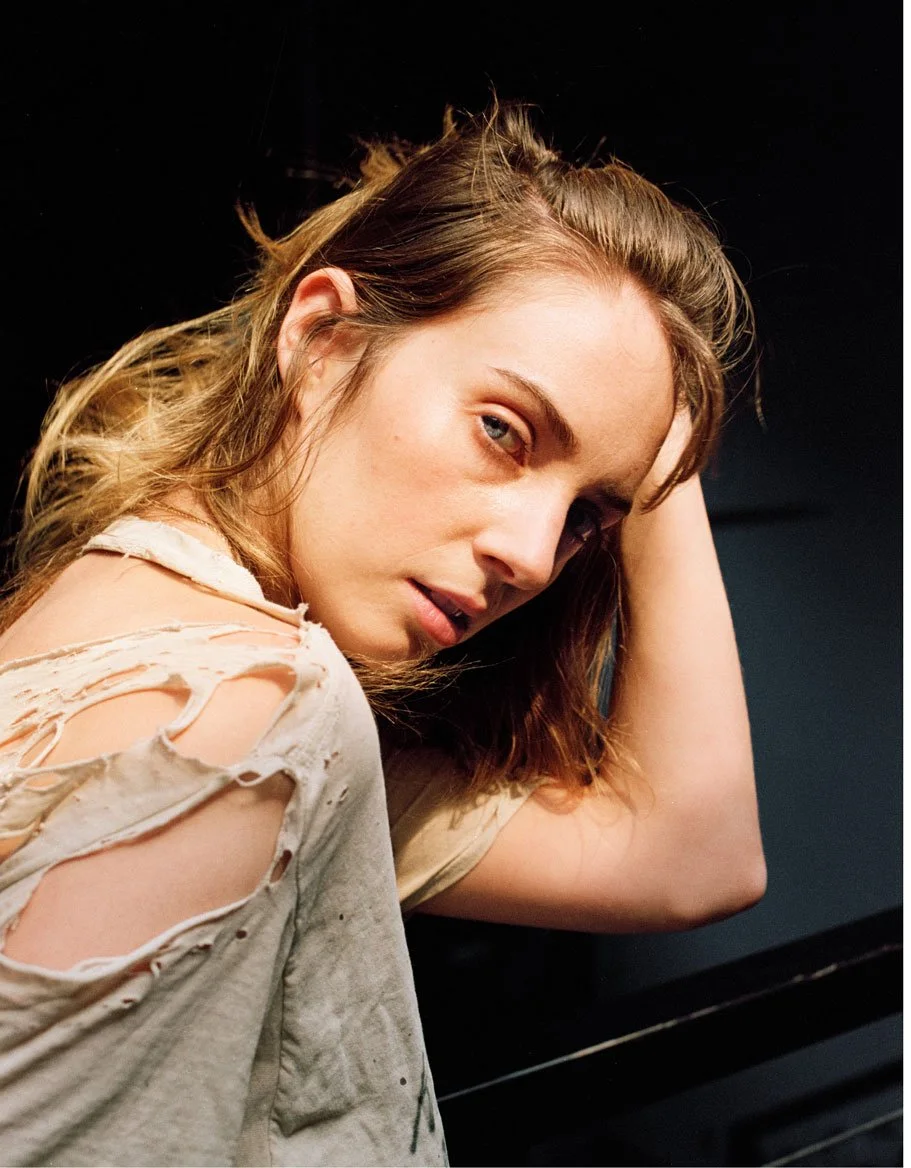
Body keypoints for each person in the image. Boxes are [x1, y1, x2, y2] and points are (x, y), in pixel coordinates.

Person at [0, 101, 764, 1164]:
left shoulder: (111, 601)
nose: (536, 557)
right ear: (321, 338)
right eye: (504, 431)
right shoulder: (258, 716)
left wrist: (645, 399)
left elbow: (691, 856)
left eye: (588, 513)